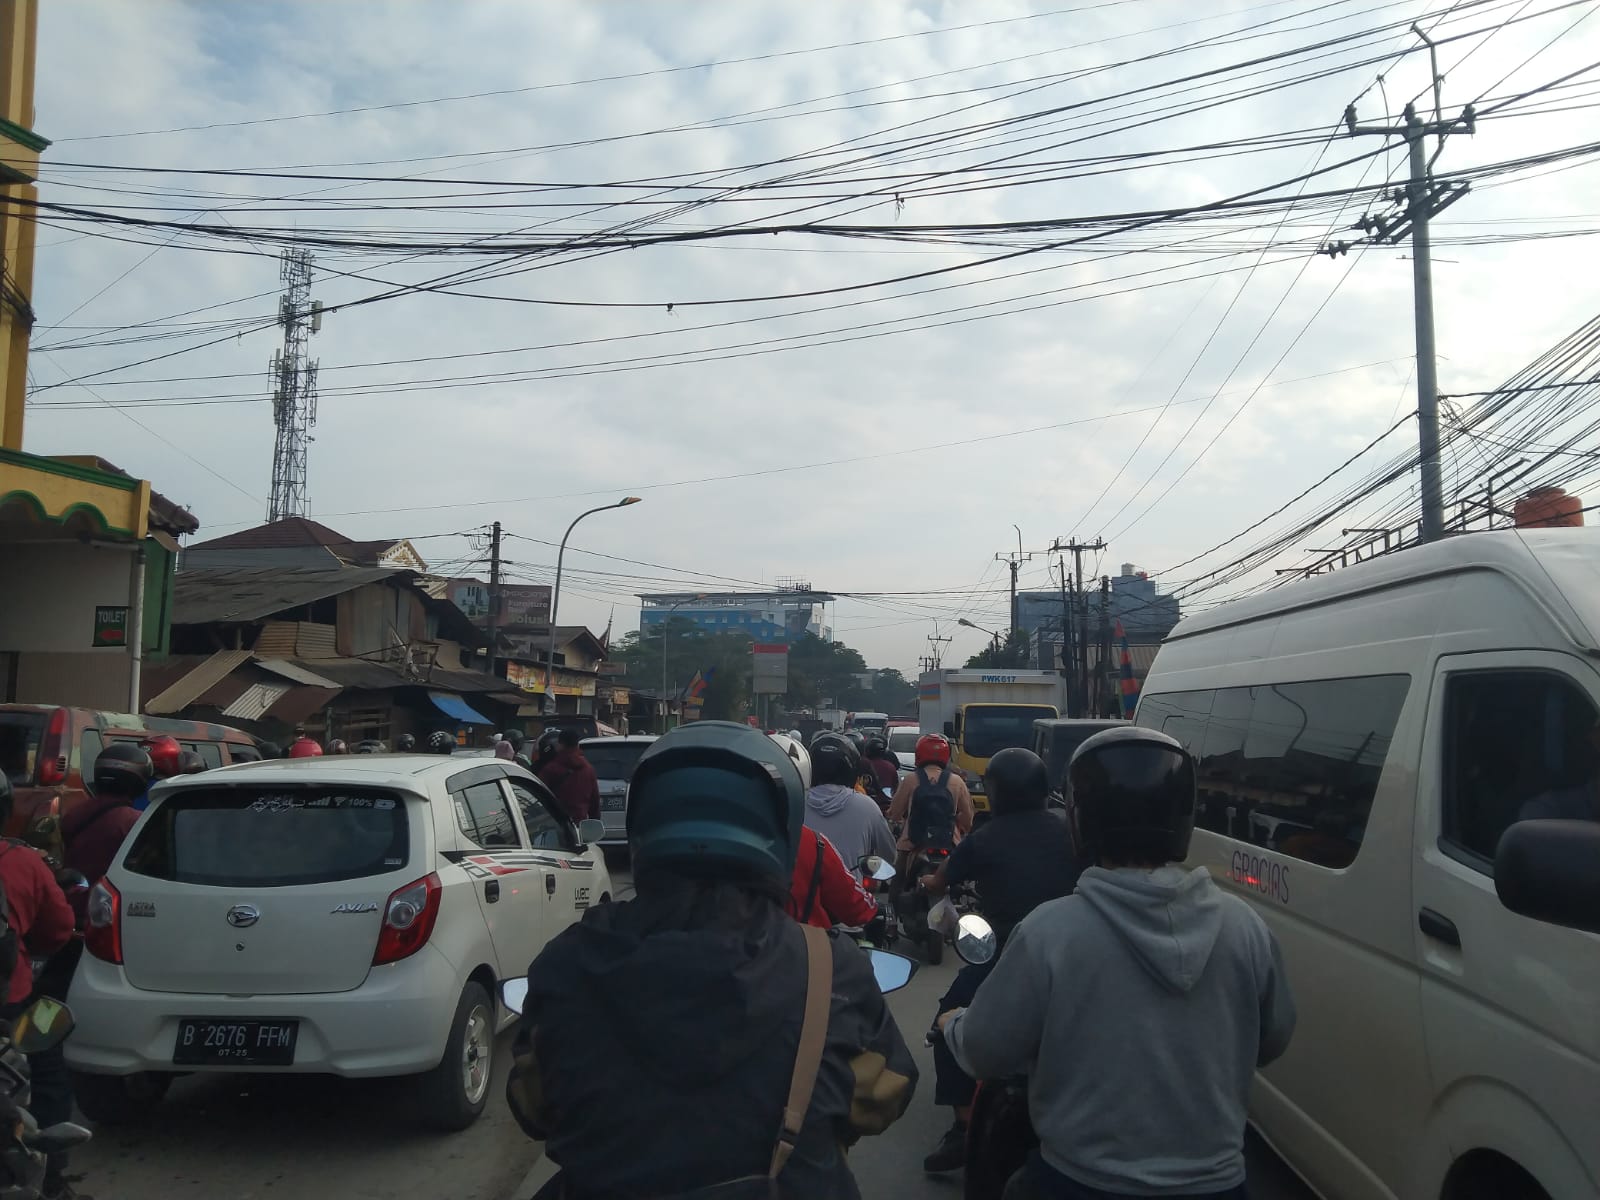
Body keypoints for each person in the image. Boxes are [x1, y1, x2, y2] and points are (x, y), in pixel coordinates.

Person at [505, 721, 917, 1198]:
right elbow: (883, 1095)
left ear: (644, 828)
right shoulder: (829, 963)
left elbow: (533, 1106)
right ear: (778, 831)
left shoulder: (570, 957)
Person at [939, 727, 1297, 1200]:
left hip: (1079, 1180)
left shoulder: (1051, 932)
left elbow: (987, 1051)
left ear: (1081, 818)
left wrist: (954, 1024)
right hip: (1220, 1184)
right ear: (1182, 815)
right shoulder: (1245, 927)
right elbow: (1271, 1040)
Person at [916, 747, 1082, 1173]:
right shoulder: (1071, 830)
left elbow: (940, 880)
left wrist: (927, 883)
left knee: (947, 1022)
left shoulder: (986, 838)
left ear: (996, 791)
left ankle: (964, 1128)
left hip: (1006, 955)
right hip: (1075, 955)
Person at [0, 773, 80, 1200]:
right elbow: (60, 929)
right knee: (48, 1074)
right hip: (12, 1006)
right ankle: (51, 1178)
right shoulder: (22, 861)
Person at [804, 733, 895, 871]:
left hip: (801, 889)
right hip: (850, 890)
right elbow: (889, 855)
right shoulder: (867, 806)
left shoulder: (794, 803)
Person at [64, 743, 151, 887]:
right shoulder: (135, 821)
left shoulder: (74, 813)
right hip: (109, 898)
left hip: (75, 895)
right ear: (137, 781)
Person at [887, 733, 975, 868]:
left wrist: (897, 819)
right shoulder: (957, 781)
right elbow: (968, 817)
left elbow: (895, 813)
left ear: (919, 754)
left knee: (897, 880)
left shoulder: (911, 779)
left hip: (912, 842)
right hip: (949, 841)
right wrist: (962, 826)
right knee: (961, 880)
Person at [538, 729, 601, 824]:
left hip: (556, 823)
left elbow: (539, 795)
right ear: (577, 744)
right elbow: (594, 801)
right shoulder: (588, 769)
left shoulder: (550, 769)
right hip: (580, 824)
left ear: (560, 744)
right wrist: (594, 823)